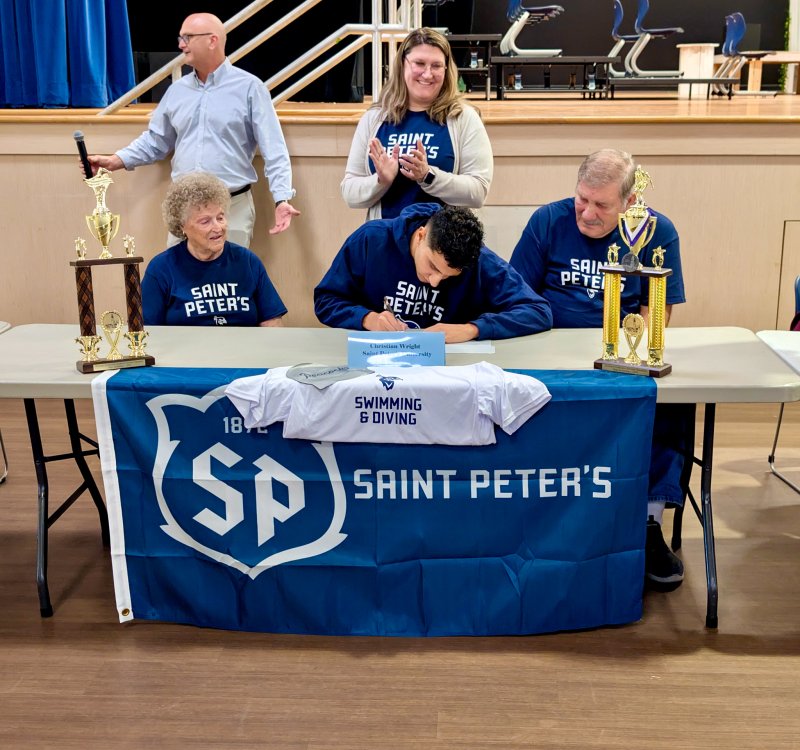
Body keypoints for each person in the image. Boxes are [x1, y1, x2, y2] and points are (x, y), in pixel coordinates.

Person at [509, 148, 692, 591]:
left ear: (629, 202)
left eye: (601, 205)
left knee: (671, 402)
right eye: (581, 200)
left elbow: (656, 317)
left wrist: (624, 350)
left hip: (620, 355)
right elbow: (514, 297)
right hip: (548, 352)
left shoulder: (657, 231)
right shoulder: (547, 222)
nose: (587, 214)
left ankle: (648, 521)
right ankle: (540, 520)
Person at [87, 12, 299, 247]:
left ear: (212, 40)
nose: (180, 45)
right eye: (181, 38)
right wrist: (116, 160)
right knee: (179, 281)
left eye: (187, 37)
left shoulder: (250, 88)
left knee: (228, 282)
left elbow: (274, 148)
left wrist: (281, 199)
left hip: (231, 207)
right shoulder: (176, 91)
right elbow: (156, 141)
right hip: (185, 208)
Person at [314, 203, 552, 343]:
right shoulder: (370, 239)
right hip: (375, 365)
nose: (436, 282)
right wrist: (368, 319)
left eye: (449, 276)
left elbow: (538, 312)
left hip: (451, 371)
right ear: (420, 236)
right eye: (434, 267)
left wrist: (470, 329)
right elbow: (326, 300)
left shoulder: (479, 259)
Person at [341, 27, 493, 221]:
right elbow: (349, 193)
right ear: (402, 65)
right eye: (419, 63)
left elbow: (478, 192)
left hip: (442, 246)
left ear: (446, 70)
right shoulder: (375, 118)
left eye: (436, 66)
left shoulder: (464, 118)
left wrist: (427, 176)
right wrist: (381, 181)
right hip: (386, 242)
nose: (428, 74)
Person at [142, 173, 287, 327]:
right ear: (181, 226)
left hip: (242, 349)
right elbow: (147, 330)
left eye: (220, 218)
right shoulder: (161, 268)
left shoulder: (247, 261)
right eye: (205, 221)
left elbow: (272, 321)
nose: (218, 228)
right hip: (186, 350)